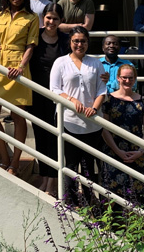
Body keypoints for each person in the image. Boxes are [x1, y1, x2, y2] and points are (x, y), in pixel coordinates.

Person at [0, 0, 39, 176]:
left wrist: (21, 66)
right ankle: (4, 157)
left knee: (18, 116)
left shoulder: (31, 17)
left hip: (18, 66)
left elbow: (31, 45)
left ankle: (15, 163)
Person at [50, 26, 106, 205]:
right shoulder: (60, 62)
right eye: (76, 41)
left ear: (88, 42)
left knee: (89, 164)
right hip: (68, 120)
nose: (79, 44)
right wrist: (71, 99)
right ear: (70, 42)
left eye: (83, 41)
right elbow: (55, 89)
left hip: (92, 122)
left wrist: (94, 109)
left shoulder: (96, 63)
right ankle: (72, 203)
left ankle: (91, 202)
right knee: (71, 164)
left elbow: (101, 90)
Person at [28, 3, 69, 196]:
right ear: (43, 18)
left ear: (61, 21)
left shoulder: (65, 40)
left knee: (54, 139)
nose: (51, 22)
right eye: (48, 18)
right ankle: (44, 177)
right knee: (41, 138)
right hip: (37, 95)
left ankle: (52, 183)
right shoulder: (35, 37)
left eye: (55, 18)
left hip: (59, 97)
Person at [101, 64, 144, 198]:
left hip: (137, 151)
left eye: (131, 78)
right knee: (113, 193)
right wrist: (117, 151)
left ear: (135, 79)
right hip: (114, 150)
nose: (127, 81)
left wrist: (141, 151)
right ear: (118, 78)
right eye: (124, 78)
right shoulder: (108, 100)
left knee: (141, 194)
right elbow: (104, 128)